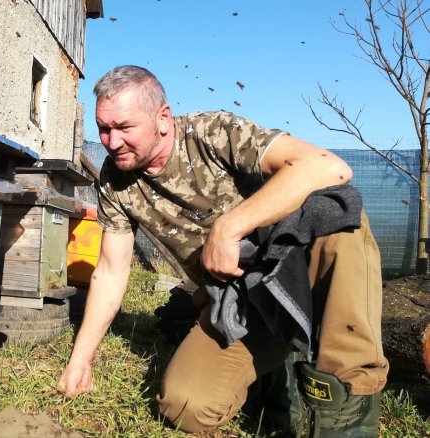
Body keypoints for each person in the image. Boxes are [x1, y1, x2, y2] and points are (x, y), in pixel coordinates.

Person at [57, 65, 388, 437]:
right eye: (104, 128)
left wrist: (229, 227)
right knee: (185, 408)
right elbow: (111, 270)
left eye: (124, 127)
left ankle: (348, 410)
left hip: (291, 271)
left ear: (162, 119)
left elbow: (329, 168)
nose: (111, 141)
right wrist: (81, 360)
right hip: (234, 301)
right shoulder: (115, 180)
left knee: (339, 217)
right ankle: (274, 373)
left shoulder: (210, 132)